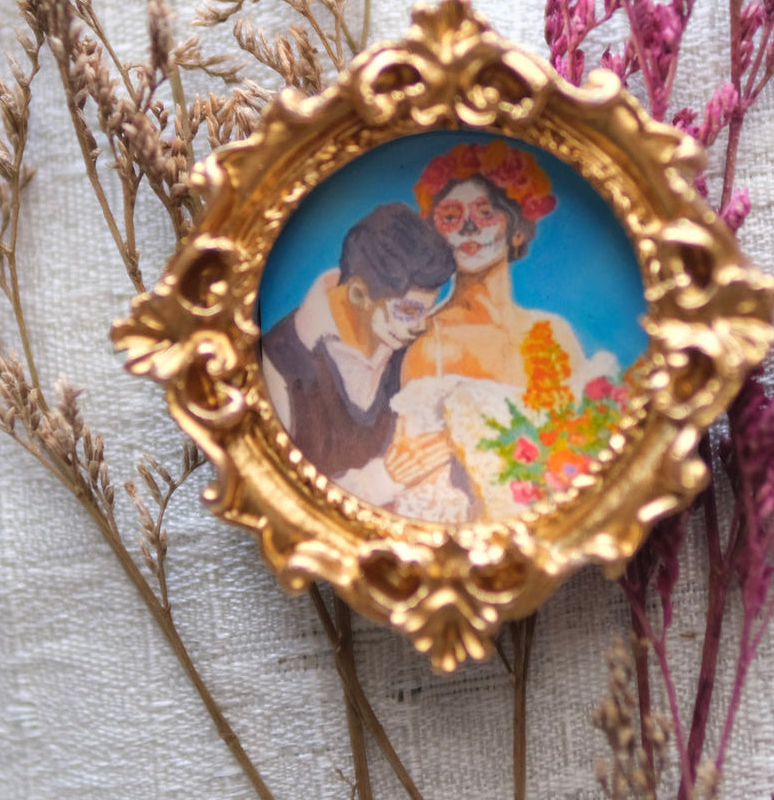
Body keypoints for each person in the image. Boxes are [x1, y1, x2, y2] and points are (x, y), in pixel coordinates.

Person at [383, 140, 620, 523]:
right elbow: (424, 493)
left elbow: (587, 445)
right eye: (450, 217)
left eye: (486, 212)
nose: (469, 227)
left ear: (517, 230)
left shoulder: (554, 332)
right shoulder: (431, 346)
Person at [260, 202, 456, 488]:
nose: (421, 325)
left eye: (427, 310)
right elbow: (279, 488)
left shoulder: (410, 348)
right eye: (409, 311)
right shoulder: (277, 366)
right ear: (357, 294)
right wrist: (384, 478)